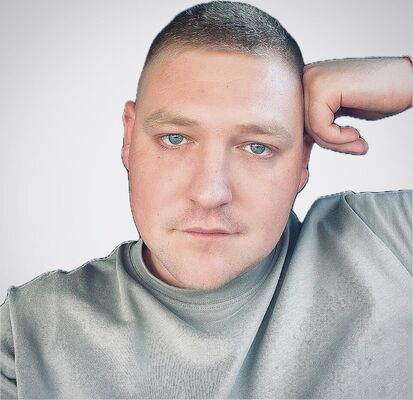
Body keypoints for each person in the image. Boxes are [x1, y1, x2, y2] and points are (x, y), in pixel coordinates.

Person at [1, 1, 411, 398]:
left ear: (303, 158)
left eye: (256, 147)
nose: (210, 194)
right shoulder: (30, 333)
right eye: (175, 139)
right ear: (129, 137)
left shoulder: (388, 245)